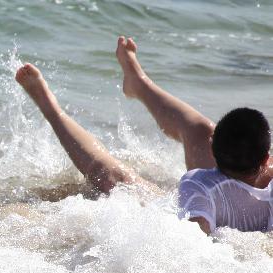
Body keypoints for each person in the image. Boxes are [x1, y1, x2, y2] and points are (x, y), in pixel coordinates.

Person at [15, 36, 271, 234]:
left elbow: (195, 237)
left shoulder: (197, 183)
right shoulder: (253, 170)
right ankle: (137, 82)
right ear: (266, 159)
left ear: (212, 148)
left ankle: (50, 107)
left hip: (177, 210)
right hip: (221, 190)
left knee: (107, 172)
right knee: (199, 128)